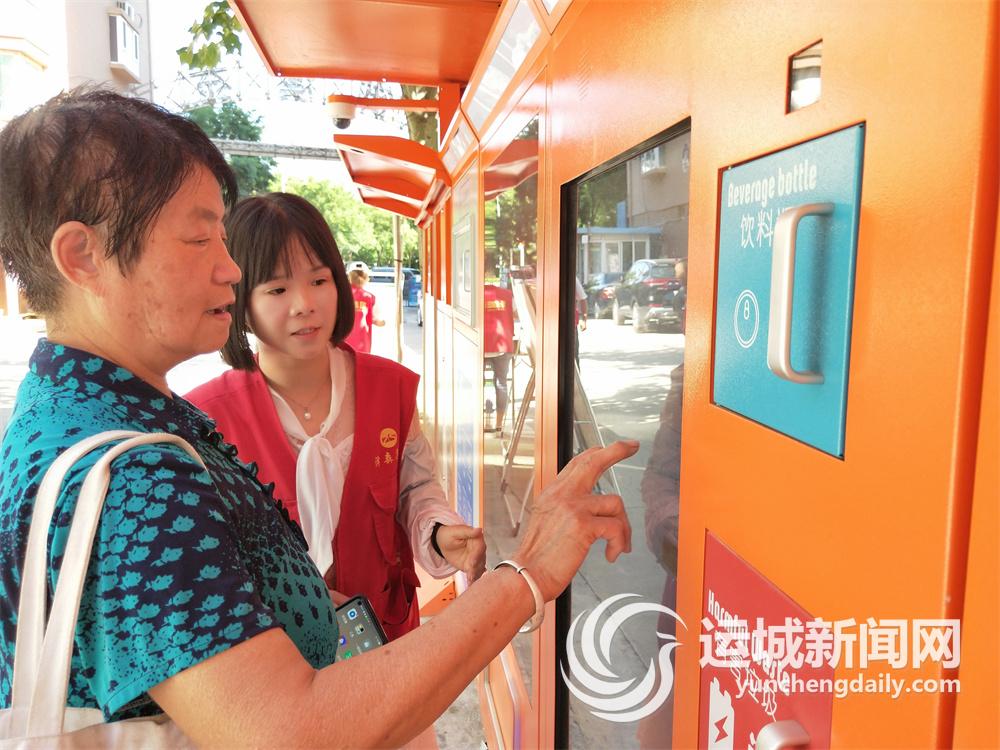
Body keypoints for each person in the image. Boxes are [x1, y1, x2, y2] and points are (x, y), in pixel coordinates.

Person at [0, 88, 637, 748]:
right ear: (83, 256)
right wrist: (527, 574)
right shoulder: (136, 480)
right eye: (198, 238)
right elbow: (290, 731)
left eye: (224, 238)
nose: (229, 269)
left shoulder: (81, 414)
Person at [185, 193, 482, 640]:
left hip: (387, 638)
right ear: (240, 300)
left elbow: (414, 487)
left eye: (319, 280)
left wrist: (439, 531)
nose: (305, 303)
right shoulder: (205, 420)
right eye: (277, 289)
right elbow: (207, 561)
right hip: (278, 654)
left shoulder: (389, 388)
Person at [483, 283, 515, 434]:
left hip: (481, 344)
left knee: (479, 383)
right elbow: (515, 313)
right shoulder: (507, 294)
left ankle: (483, 421)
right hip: (503, 345)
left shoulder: (475, 294)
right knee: (501, 383)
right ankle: (499, 424)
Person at [344, 266, 384, 354]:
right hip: (363, 345)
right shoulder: (369, 297)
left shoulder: (340, 295)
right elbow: (377, 320)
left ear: (349, 277)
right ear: (366, 279)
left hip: (342, 345)